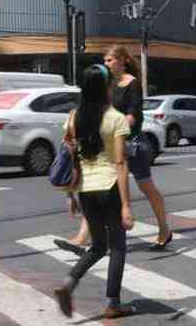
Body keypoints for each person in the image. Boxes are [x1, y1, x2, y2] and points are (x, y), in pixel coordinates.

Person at [55, 45, 172, 254]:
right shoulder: (106, 84)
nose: (107, 64)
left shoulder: (132, 84)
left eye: (110, 60)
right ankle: (81, 238)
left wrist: (115, 126)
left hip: (132, 143)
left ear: (123, 61)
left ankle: (164, 229)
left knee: (147, 187)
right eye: (105, 60)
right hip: (110, 143)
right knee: (98, 186)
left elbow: (133, 114)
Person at [53, 65, 135, 319]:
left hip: (86, 190)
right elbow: (120, 163)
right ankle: (113, 303)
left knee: (98, 246)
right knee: (118, 247)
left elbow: (69, 158)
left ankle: (68, 284)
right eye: (111, 84)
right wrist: (126, 206)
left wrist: (71, 195)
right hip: (109, 187)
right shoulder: (116, 118)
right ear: (106, 88)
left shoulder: (73, 117)